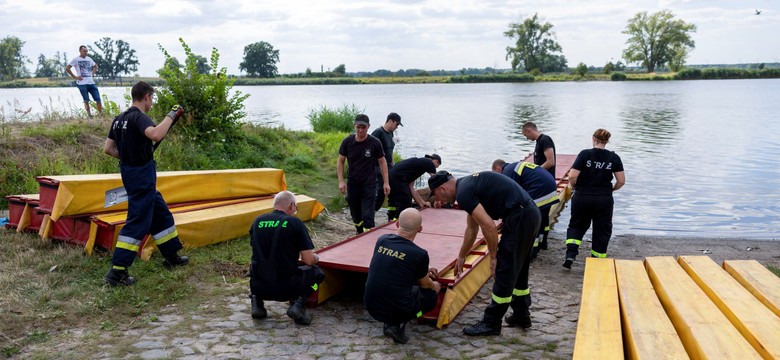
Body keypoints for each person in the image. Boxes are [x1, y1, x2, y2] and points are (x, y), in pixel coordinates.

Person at [429, 170, 540, 336]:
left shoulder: (464, 193)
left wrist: (493, 257)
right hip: (529, 214)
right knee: (520, 269)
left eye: (436, 195)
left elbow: (488, 226)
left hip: (520, 217)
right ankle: (521, 315)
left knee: (504, 271)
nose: (438, 200)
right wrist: (461, 256)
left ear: (442, 188)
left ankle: (491, 323)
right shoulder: (466, 186)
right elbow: (471, 229)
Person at [102, 81, 188, 286]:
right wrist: (172, 115)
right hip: (142, 174)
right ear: (147, 96)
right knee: (138, 220)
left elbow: (108, 149)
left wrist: (130, 158)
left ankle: (171, 256)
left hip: (131, 172)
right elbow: (156, 134)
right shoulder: (139, 117)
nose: (152, 102)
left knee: (159, 211)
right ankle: (117, 272)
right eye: (152, 98)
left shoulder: (119, 119)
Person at [364, 208, 441, 344]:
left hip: (371, 306)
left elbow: (396, 260)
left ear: (397, 224)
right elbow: (425, 284)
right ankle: (400, 321)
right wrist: (435, 286)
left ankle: (392, 321)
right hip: (399, 308)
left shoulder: (382, 240)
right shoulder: (420, 254)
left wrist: (423, 268)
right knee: (431, 296)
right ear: (420, 229)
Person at [248, 190, 325, 325]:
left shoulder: (257, 221)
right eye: (296, 208)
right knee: (318, 274)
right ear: (291, 206)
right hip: (286, 288)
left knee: (256, 266)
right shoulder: (294, 223)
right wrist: (316, 257)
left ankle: (257, 303)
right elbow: (308, 260)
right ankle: (298, 303)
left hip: (258, 285)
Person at [563, 129, 625, 269]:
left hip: (582, 196)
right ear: (607, 141)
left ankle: (570, 255)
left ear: (593, 139)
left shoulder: (585, 154)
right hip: (604, 198)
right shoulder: (614, 158)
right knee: (602, 229)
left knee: (577, 225)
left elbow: (572, 176)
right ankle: (597, 260)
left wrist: (574, 186)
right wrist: (612, 189)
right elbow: (621, 181)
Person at [492, 160, 559, 258]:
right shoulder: (514, 166)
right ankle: (543, 243)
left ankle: (532, 252)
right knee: (543, 218)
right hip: (551, 188)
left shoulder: (507, 172)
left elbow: (510, 195)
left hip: (540, 189)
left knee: (530, 218)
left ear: (498, 168)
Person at [338, 114, 390, 234]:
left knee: (368, 214)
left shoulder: (374, 143)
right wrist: (341, 181)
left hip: (369, 184)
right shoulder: (347, 141)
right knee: (355, 214)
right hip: (353, 183)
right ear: (354, 126)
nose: (361, 130)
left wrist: (386, 182)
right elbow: (341, 161)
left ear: (368, 127)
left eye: (364, 127)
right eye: (358, 127)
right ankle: (359, 232)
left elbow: (382, 162)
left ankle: (368, 236)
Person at [386, 154, 441, 221]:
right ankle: (398, 220)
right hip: (399, 178)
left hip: (391, 175)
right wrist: (438, 200)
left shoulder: (418, 165)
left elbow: (411, 187)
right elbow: (435, 181)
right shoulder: (429, 162)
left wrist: (422, 203)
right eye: (437, 166)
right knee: (405, 201)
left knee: (394, 200)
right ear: (436, 161)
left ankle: (391, 219)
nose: (435, 168)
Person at [372, 112, 402, 211]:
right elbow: (370, 150)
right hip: (378, 168)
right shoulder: (378, 133)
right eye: (396, 124)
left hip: (389, 167)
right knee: (380, 193)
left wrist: (393, 166)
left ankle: (392, 215)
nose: (397, 127)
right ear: (390, 121)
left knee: (393, 191)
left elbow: (390, 151)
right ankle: (369, 214)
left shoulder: (391, 133)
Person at [66, 45, 103, 117]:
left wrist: (92, 73)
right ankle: (89, 115)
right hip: (82, 83)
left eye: (87, 51)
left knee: (98, 99)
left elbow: (96, 66)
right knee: (86, 100)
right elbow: (67, 68)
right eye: (84, 51)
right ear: (80, 51)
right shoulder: (76, 59)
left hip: (91, 82)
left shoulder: (89, 59)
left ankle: (100, 114)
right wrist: (75, 77)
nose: (86, 53)